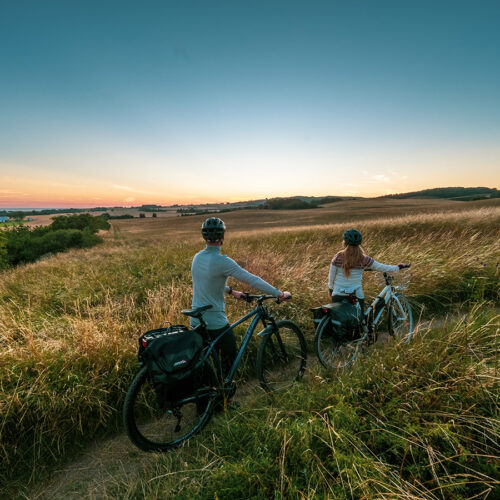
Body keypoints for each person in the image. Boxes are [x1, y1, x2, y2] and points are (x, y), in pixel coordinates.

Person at [191, 217, 291, 378]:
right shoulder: (223, 261)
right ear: (223, 237)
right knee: (230, 356)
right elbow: (252, 279)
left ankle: (210, 395)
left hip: (196, 320)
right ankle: (226, 396)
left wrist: (231, 291)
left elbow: (208, 282)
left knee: (207, 362)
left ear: (204, 237)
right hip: (214, 321)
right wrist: (279, 294)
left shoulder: (197, 257)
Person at [328, 229, 408, 315]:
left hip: (337, 294)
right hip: (355, 294)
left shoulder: (338, 257)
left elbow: (331, 276)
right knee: (359, 319)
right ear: (359, 244)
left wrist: (330, 289)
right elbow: (381, 267)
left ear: (344, 243)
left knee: (338, 318)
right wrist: (398, 267)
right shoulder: (364, 259)